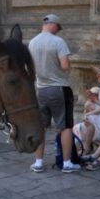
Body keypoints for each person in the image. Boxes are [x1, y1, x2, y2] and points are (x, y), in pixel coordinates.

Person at [28, 14, 81, 173]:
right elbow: (65, 66)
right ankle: (66, 164)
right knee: (65, 126)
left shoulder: (32, 42)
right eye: (58, 28)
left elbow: (31, 68)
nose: (58, 31)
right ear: (52, 24)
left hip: (41, 89)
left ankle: (38, 163)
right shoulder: (58, 42)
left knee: (41, 126)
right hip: (59, 88)